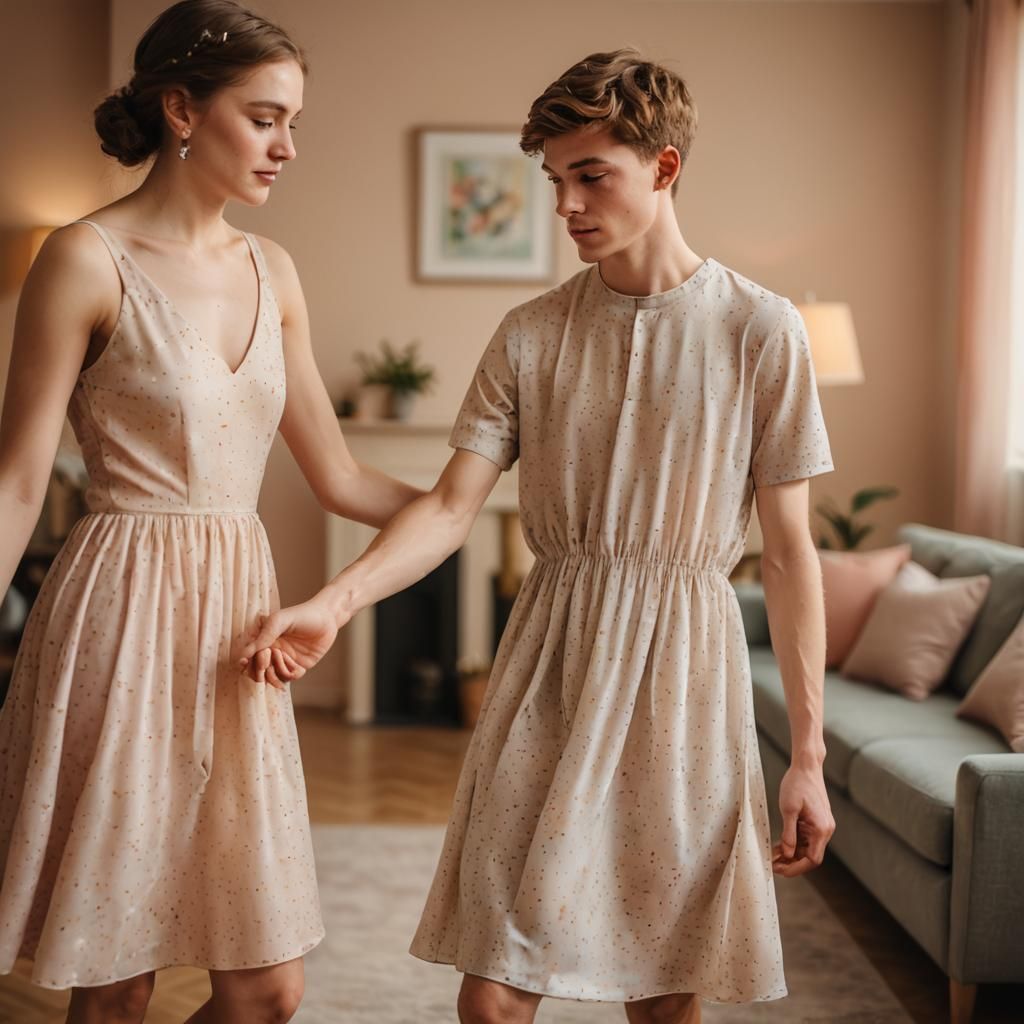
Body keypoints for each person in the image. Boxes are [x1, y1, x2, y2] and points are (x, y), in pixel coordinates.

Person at [242, 49, 837, 1024]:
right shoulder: (529, 333)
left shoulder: (760, 330)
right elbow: (446, 508)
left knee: (664, 993)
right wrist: (332, 603)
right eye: (554, 179)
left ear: (665, 166)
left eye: (590, 174)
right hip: (548, 665)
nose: (565, 203)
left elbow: (788, 554)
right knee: (493, 993)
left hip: (684, 682)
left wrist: (804, 757)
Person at [0, 2, 421, 1022]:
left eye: (294, 123)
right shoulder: (82, 256)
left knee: (268, 988)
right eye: (266, 117)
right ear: (182, 108)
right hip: (121, 617)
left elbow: (342, 478)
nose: (286, 147)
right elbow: (18, 480)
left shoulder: (273, 271)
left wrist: (478, 497)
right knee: (118, 970)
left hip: (241, 627)